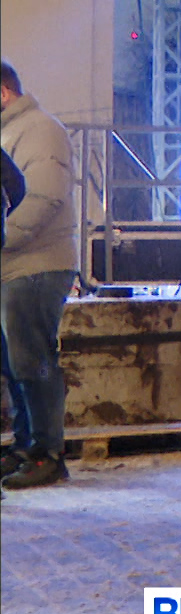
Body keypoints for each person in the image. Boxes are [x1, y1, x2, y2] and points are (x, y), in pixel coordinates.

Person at [1, 61, 76, 490]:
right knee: (15, 364)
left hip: (37, 266)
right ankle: (25, 447)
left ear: (3, 92)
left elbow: (42, 198)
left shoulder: (39, 129)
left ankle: (50, 454)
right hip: (13, 267)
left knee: (34, 361)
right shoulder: (9, 133)